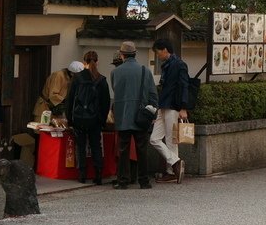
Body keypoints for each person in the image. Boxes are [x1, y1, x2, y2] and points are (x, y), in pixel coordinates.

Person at [109, 41, 157, 190]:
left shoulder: (115, 72)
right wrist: (153, 112)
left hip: (123, 115)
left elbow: (116, 91)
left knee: (123, 149)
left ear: (122, 55)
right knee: (142, 148)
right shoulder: (145, 71)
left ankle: (123, 181)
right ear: (135, 54)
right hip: (141, 115)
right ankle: (144, 181)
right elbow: (153, 94)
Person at [65, 50, 111, 184]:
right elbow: (105, 103)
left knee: (80, 146)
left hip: (79, 118)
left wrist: (70, 119)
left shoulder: (77, 78)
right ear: (97, 62)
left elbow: (70, 100)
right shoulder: (101, 80)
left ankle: (82, 174)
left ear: (84, 62)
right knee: (96, 145)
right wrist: (102, 120)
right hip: (95, 119)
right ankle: (98, 175)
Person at [151, 38, 189, 184]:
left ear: (165, 50)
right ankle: (176, 163)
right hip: (164, 105)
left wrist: (183, 107)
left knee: (171, 140)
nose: (157, 55)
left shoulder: (179, 65)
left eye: (158, 52)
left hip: (173, 106)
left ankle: (171, 171)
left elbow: (184, 86)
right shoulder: (167, 64)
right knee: (155, 139)